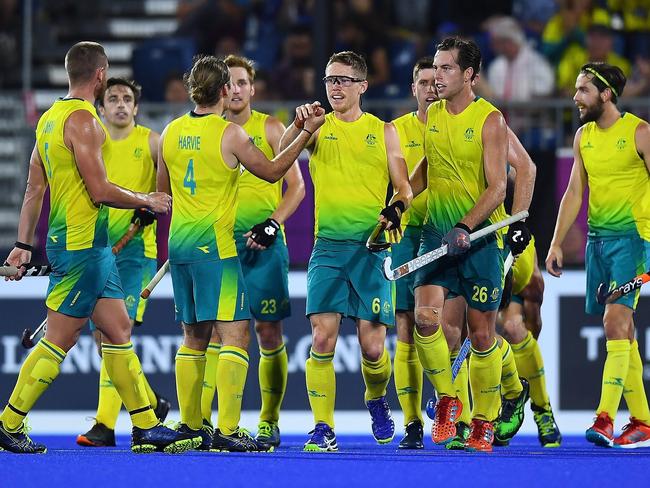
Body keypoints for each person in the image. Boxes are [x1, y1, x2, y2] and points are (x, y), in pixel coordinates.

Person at [0, 41, 198, 454]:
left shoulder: (49, 119)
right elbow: (100, 189)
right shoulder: (85, 123)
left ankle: (145, 425)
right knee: (61, 338)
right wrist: (149, 199)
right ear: (100, 75)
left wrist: (22, 244)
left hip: (92, 246)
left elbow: (34, 189)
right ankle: (8, 421)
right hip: (83, 247)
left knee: (118, 329)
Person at [157, 54, 323, 452]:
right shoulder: (229, 134)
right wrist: (304, 134)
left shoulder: (168, 131)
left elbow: (163, 192)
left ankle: (191, 426)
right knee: (235, 336)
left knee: (193, 337)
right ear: (224, 90)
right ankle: (228, 431)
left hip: (179, 246)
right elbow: (271, 171)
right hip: (217, 246)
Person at [280, 51, 412, 452]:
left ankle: (376, 399)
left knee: (373, 348)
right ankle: (323, 427)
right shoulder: (318, 128)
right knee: (322, 338)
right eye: (329, 79)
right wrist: (300, 125)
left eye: (343, 80)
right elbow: (279, 157)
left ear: (362, 86)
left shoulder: (384, 131)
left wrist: (396, 208)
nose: (335, 86)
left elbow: (404, 189)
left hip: (371, 249)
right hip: (328, 249)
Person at [198, 54, 305, 449]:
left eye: (243, 82)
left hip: (265, 244)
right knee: (212, 333)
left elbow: (296, 187)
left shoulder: (271, 127)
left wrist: (273, 223)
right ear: (220, 89)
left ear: (252, 88)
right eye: (230, 83)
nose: (236, 89)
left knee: (268, 332)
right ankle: (208, 421)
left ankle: (268, 420)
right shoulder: (209, 130)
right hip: (220, 245)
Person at [408, 37, 508, 452]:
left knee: (482, 336)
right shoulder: (431, 114)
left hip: (481, 237)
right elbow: (428, 166)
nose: (437, 78)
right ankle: (449, 397)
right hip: (437, 231)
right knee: (424, 319)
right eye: (435, 68)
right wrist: (399, 202)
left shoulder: (491, 120)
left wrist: (466, 225)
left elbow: (499, 187)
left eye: (447, 69)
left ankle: (485, 419)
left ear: (469, 75)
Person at [546, 62, 650, 449]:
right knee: (625, 331)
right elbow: (575, 192)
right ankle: (642, 421)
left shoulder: (639, 133)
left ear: (606, 94)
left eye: (583, 90)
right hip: (598, 243)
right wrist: (556, 242)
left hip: (634, 241)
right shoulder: (583, 136)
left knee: (614, 320)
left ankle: (605, 418)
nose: (575, 97)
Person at [75, 78, 171, 448]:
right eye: (111, 98)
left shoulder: (151, 141)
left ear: (135, 107)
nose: (119, 104)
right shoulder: (91, 140)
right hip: (98, 249)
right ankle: (150, 401)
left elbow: (167, 189)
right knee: (103, 340)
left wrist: (150, 207)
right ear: (100, 108)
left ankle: (105, 424)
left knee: (115, 333)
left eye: (126, 99)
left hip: (135, 254)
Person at [390, 56, 436, 450]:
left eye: (436, 81)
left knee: (449, 325)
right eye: (423, 82)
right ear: (413, 88)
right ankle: (412, 421)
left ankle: (453, 401)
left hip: (445, 232)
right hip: (407, 235)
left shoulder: (460, 125)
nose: (430, 88)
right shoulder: (396, 130)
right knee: (406, 326)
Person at [499, 233, 562, 447]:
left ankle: (542, 409)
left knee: (515, 329)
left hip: (511, 284)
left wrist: (520, 367)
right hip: (475, 277)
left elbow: (533, 330)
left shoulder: (528, 276)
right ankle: (482, 417)